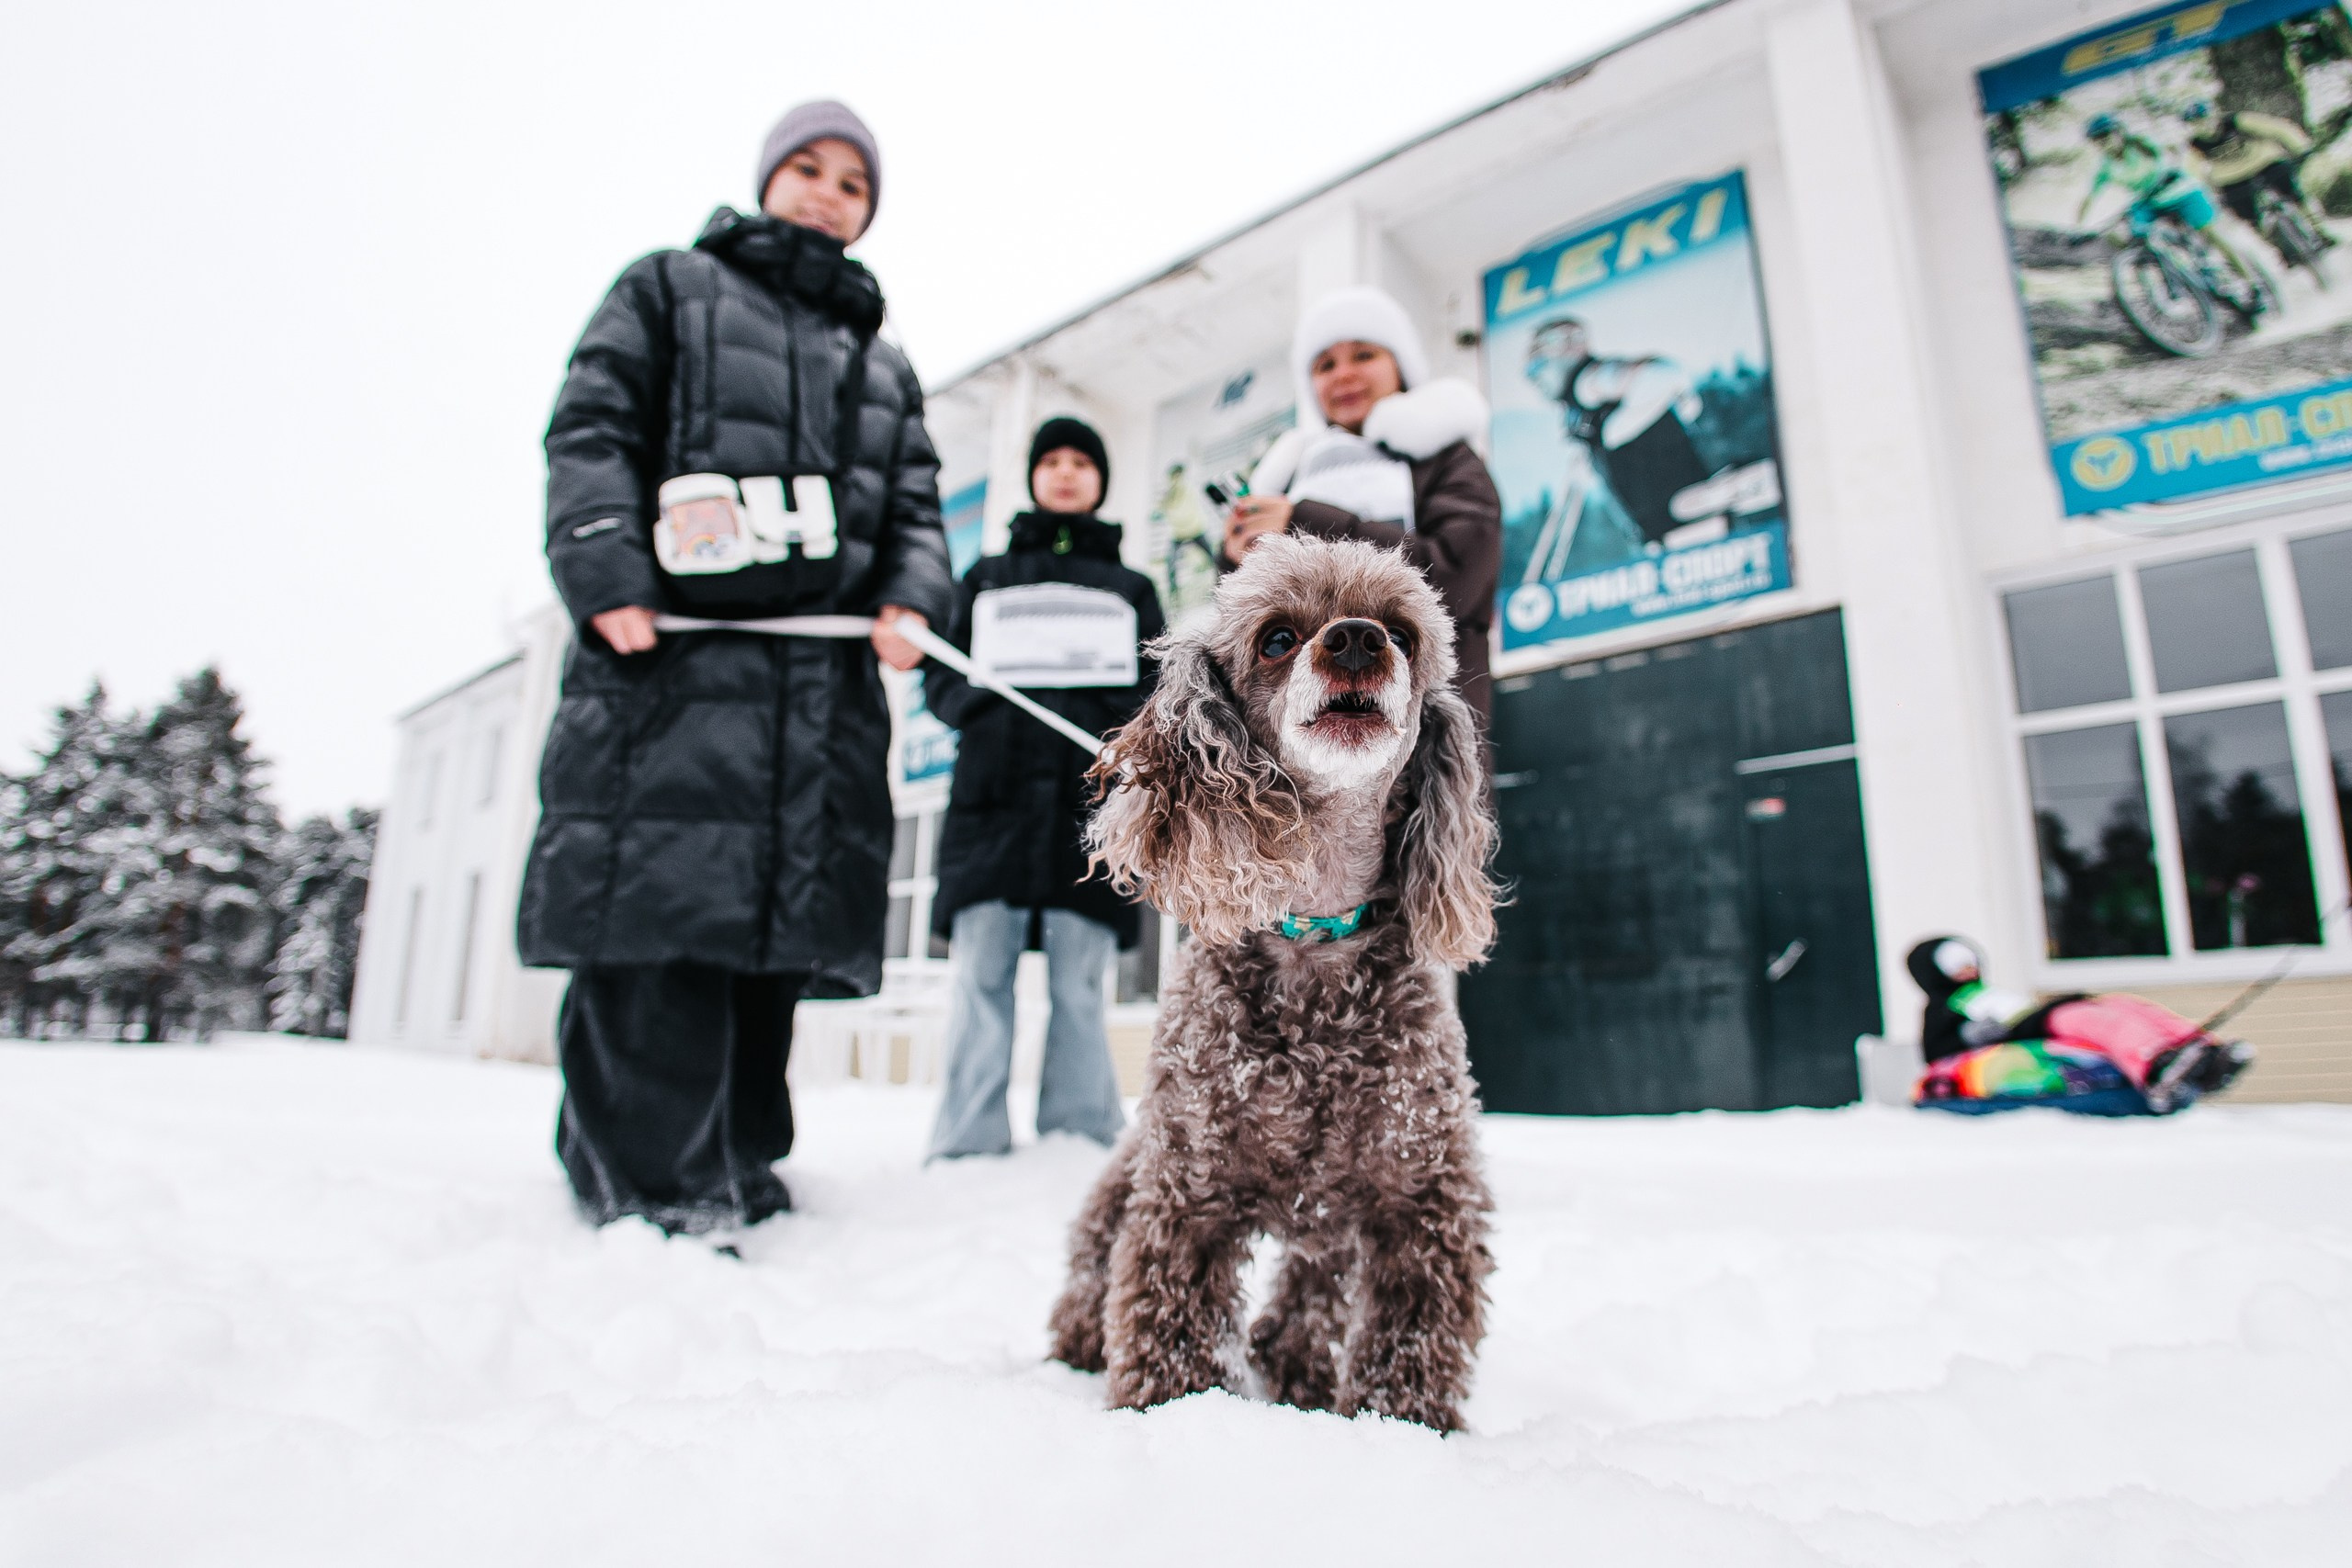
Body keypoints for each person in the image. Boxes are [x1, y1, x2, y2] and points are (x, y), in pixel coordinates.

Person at [517, 101, 954, 1235]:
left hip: (818, 691)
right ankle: (650, 1180)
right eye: (807, 168)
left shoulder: (881, 364)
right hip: (674, 671)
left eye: (852, 183)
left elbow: (914, 505)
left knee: (772, 936)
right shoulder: (669, 290)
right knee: (665, 911)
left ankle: (738, 1154)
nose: (826, 194)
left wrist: (912, 597)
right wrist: (605, 569)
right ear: (767, 178)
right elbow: (594, 429)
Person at [924, 418, 1163, 1157]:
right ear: (1033, 475)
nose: (1065, 473)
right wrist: (980, 703)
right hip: (990, 807)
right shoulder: (986, 576)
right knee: (980, 976)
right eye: (1051, 460)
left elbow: (1157, 690)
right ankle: (967, 1141)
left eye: (1080, 462)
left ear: (1100, 481)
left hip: (1086, 814)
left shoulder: (1132, 588)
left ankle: (1080, 1133)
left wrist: (1108, 720)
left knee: (1079, 982)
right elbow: (940, 673)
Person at [1222, 286, 1502, 726]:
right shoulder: (1287, 477)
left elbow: (1460, 576)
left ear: (1400, 366)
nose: (1344, 375)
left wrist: (1303, 522)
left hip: (1429, 728)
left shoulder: (1445, 456)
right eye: (1325, 365)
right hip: (1301, 733)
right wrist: (1235, 557)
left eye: (1364, 355)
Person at [1905, 936, 2254, 1114]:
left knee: (2125, 1006)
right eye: (1957, 967)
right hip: (2041, 1025)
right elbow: (1935, 1052)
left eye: (1970, 963)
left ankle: (2203, 1050)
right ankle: (2156, 1067)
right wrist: (1970, 1035)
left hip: (2043, 1018)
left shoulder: (1989, 993)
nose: (1968, 972)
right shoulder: (1943, 1007)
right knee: (2100, 1022)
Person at [2076, 112, 2266, 300]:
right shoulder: (2106, 167)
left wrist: (2167, 169)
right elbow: (2089, 198)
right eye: (2098, 141)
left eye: (2106, 137)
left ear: (2119, 132)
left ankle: (2252, 283)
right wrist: (2081, 227)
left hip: (2182, 192)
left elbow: (2169, 153)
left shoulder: (2141, 144)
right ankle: (2169, 270)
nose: (2104, 143)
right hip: (2153, 202)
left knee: (2211, 234)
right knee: (2132, 233)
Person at [2182, 100, 2326, 243]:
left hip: (2265, 162)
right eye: (2197, 124)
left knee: (2297, 194)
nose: (2205, 126)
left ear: (2215, 114)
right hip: (2232, 179)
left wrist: (2302, 148)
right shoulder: (2195, 145)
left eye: (2207, 119)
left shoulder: (2237, 121)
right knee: (2249, 217)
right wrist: (2203, 194)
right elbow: (2193, 172)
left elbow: (2276, 128)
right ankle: (2274, 243)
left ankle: (2320, 228)